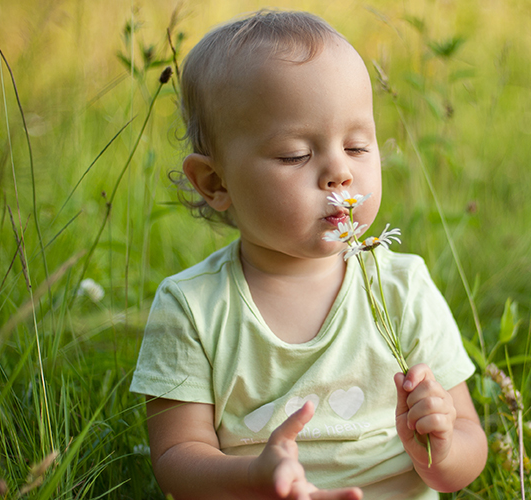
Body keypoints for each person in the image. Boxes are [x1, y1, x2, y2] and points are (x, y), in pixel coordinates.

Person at [130, 9, 487, 500]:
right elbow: (176, 458)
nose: (339, 173)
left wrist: (442, 446)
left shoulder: (401, 290)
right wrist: (255, 479)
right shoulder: (193, 307)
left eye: (358, 147)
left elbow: (468, 451)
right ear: (215, 182)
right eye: (296, 155)